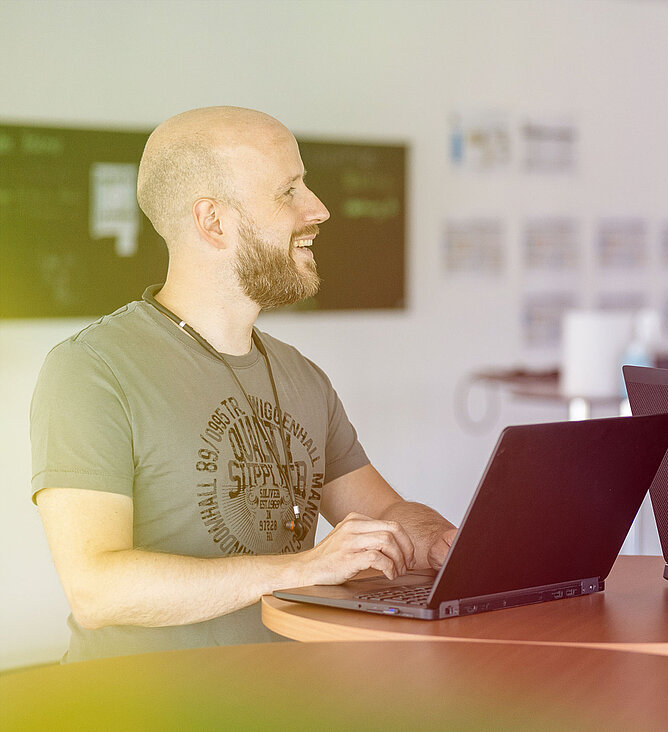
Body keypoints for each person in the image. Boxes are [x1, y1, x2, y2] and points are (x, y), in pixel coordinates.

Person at [30, 107, 458, 662]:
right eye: (289, 191)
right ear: (213, 222)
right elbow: (96, 589)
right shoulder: (90, 370)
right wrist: (305, 567)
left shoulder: (301, 374)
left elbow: (385, 516)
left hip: (286, 696)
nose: (319, 209)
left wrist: (439, 539)